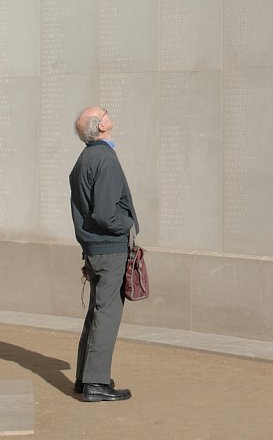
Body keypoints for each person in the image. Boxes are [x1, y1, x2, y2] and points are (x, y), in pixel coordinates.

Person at [69, 107, 138, 402]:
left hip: (94, 249)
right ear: (102, 125)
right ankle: (96, 383)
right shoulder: (105, 159)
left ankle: (86, 378)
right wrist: (129, 224)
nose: (110, 113)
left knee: (97, 312)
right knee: (107, 314)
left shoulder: (84, 159)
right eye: (105, 112)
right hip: (109, 249)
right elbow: (106, 214)